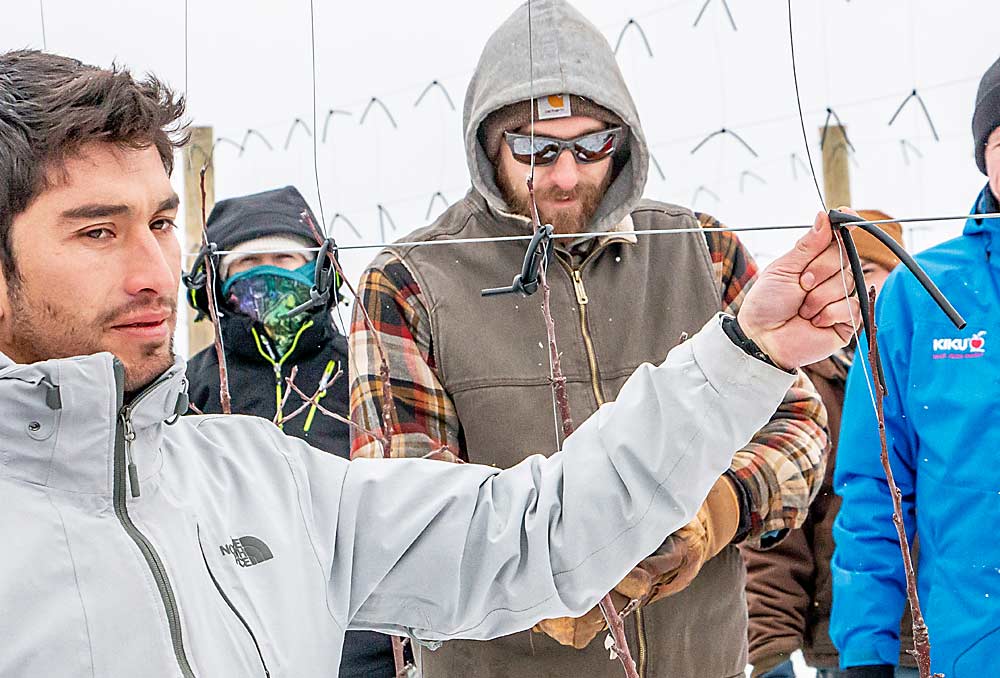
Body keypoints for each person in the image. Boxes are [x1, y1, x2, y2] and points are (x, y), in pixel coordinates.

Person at [0, 48, 858, 677]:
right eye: (96, 230)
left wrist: (745, 355)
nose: (155, 273)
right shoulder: (415, 280)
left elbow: (531, 533)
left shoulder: (257, 480)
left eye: (158, 221)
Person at [349, 2, 829, 677]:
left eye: (591, 145)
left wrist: (713, 514)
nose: (566, 175)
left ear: (622, 138)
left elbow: (799, 422)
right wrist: (544, 576)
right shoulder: (409, 284)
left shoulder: (700, 251)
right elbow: (405, 505)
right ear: (487, 142)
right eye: (537, 150)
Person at [184, 186, 401, 678]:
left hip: (365, 639)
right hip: (230, 637)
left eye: (285, 256)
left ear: (319, 267)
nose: (269, 273)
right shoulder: (190, 386)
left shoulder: (365, 371)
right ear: (214, 281)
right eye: (248, 262)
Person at [830, 56, 1000, 678]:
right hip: (972, 652)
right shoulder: (919, 295)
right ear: (985, 155)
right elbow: (876, 487)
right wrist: (867, 649)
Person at [743, 213, 918, 678]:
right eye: (841, 277)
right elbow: (776, 535)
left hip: (940, 636)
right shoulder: (799, 393)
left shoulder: (932, 372)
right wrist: (769, 649)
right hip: (846, 646)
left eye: (871, 275)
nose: (855, 292)